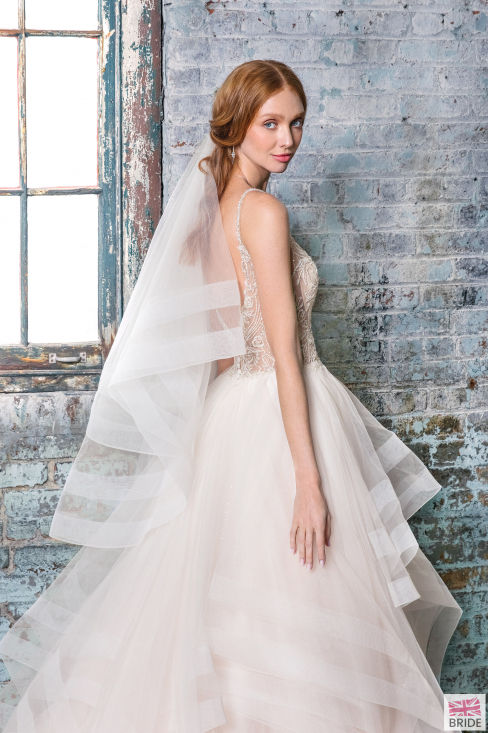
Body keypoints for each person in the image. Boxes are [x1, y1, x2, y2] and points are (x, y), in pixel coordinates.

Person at [0, 60, 462, 733]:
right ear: (237, 123)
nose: (287, 139)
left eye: (296, 123)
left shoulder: (212, 213)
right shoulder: (263, 212)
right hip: (281, 415)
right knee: (302, 608)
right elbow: (284, 357)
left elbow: (219, 353)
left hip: (232, 418)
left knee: (235, 612)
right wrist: (308, 482)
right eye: (270, 123)